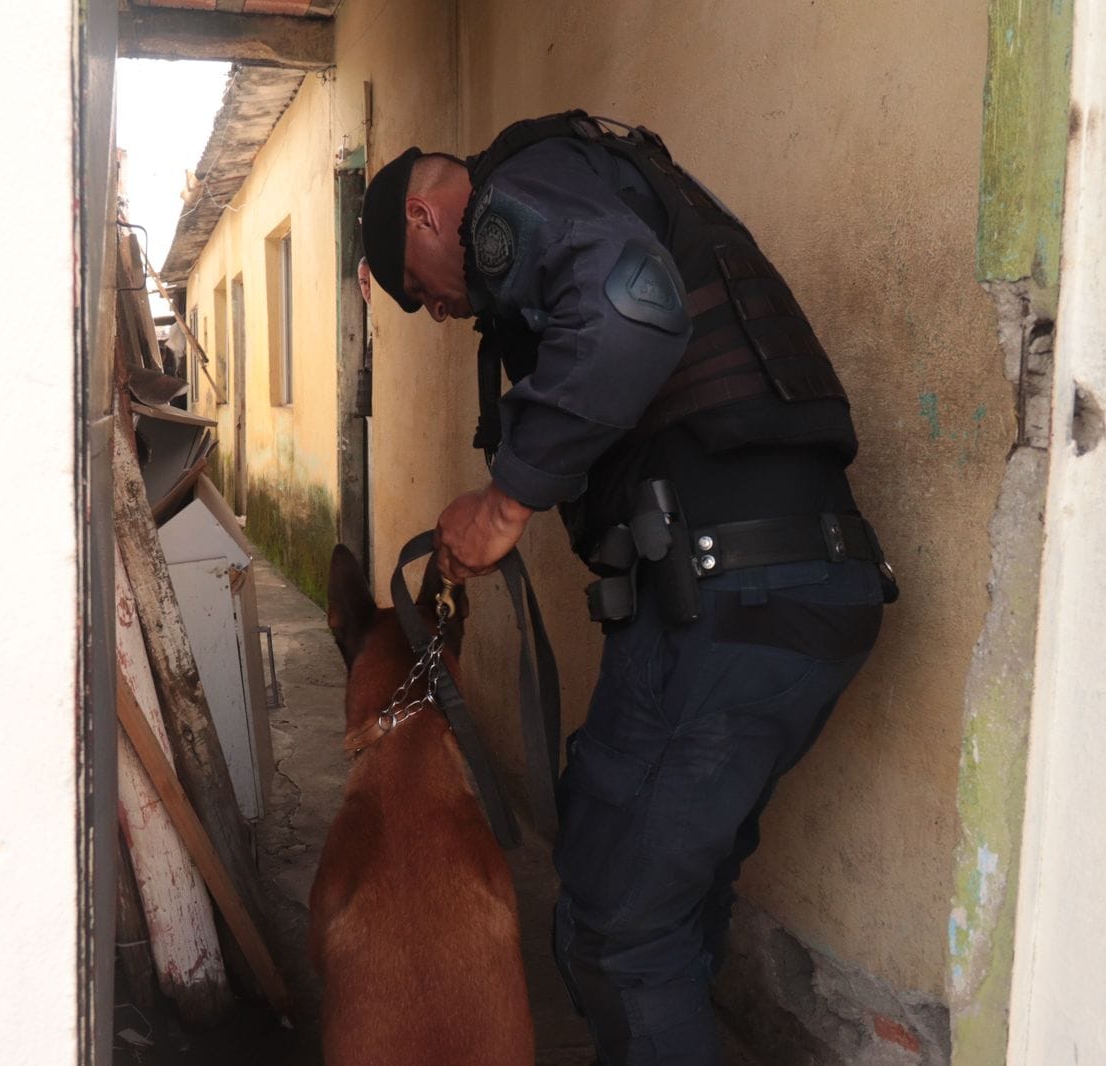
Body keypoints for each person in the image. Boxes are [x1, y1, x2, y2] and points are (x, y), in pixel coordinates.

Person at [358, 112, 896, 1065]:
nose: (439, 313)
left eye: (419, 292)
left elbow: (626, 306)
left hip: (723, 607)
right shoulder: (608, 179)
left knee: (615, 935)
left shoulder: (521, 189)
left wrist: (504, 505)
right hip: (813, 586)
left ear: (429, 217)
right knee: (673, 912)